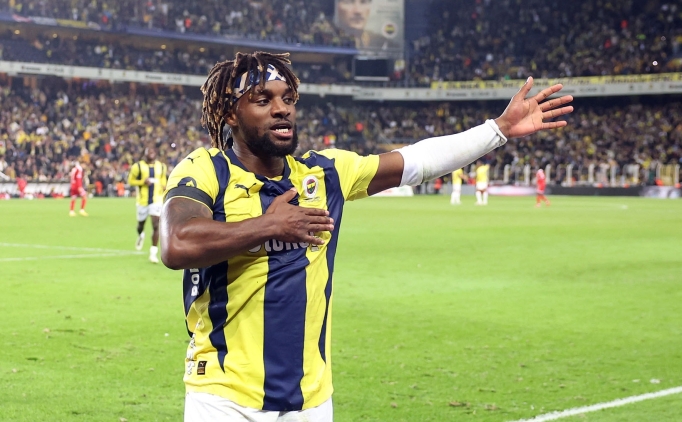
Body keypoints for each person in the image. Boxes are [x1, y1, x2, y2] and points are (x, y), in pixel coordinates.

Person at [159, 51, 573, 422]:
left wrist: (498, 129)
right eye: (262, 100)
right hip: (225, 399)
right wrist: (268, 225)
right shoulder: (206, 168)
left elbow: (418, 161)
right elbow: (176, 243)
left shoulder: (325, 173)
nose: (281, 109)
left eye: (287, 98)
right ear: (231, 114)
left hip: (311, 400)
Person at [128, 147, 168, 263]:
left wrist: (164, 187)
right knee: (140, 224)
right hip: (142, 201)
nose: (151, 153)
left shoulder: (161, 166)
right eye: (149, 152)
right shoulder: (138, 166)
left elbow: (163, 181)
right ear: (145, 154)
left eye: (153, 152)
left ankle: (153, 253)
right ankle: (141, 234)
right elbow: (131, 181)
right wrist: (142, 182)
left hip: (156, 200)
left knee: (156, 224)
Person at [334, 0, 400, 50]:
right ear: (336, 6)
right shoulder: (330, 42)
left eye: (364, 2)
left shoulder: (386, 44)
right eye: (348, 2)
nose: (358, 11)